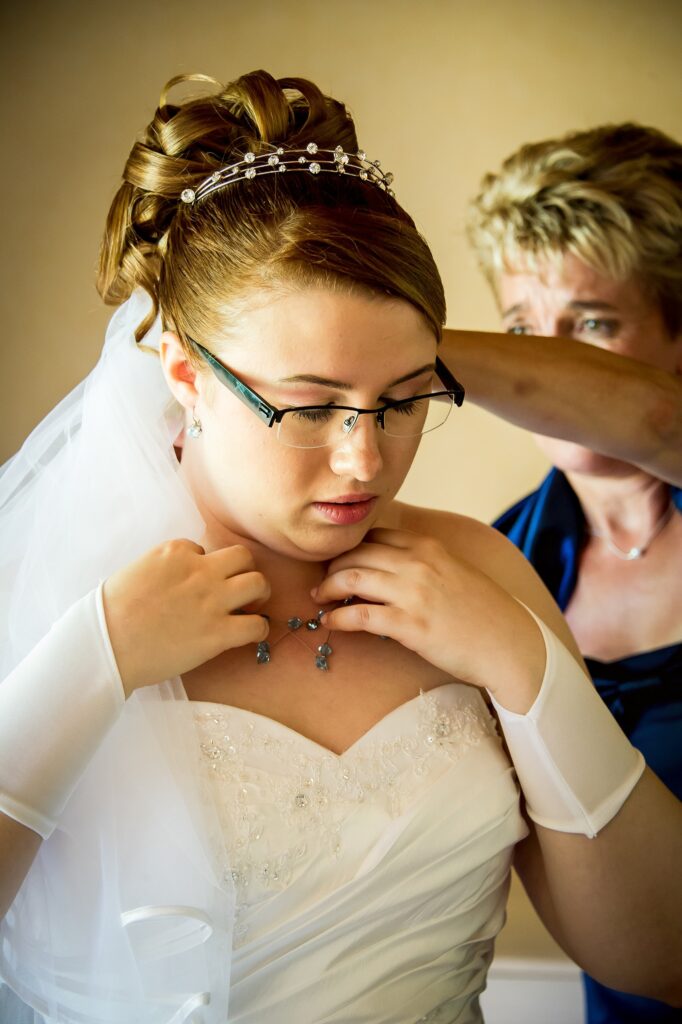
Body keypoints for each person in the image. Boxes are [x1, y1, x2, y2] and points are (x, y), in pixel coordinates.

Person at [0, 75, 680, 1024]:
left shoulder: (481, 571)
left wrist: (527, 669)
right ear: (187, 375)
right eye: (311, 405)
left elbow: (660, 956)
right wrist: (94, 660)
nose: (365, 458)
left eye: (403, 400)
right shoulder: (47, 585)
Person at [458, 122, 682, 1022]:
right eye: (521, 328)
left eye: (589, 324)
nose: (539, 362)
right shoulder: (504, 559)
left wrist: (368, 350)